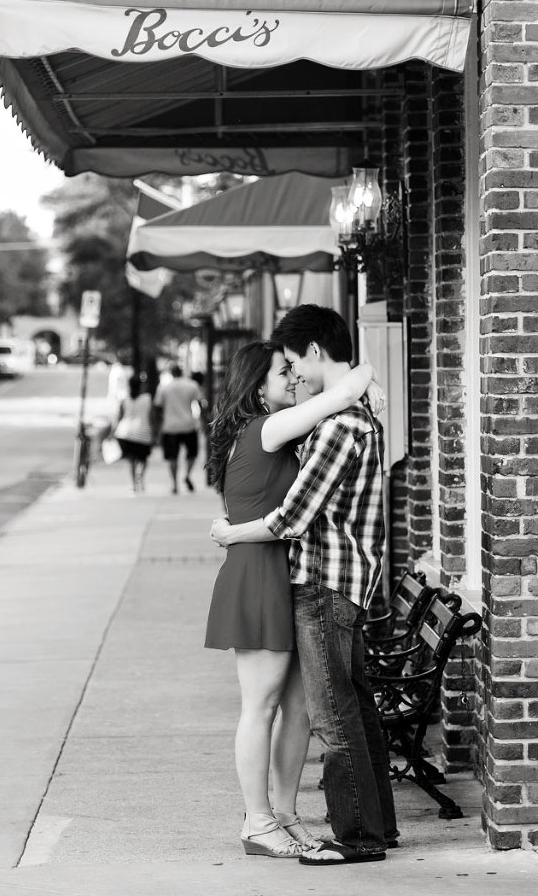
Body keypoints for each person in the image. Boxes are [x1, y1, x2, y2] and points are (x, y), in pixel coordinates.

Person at [211, 305, 399, 867]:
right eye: (280, 373)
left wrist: (232, 530)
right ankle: (261, 819)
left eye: (293, 365)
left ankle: (294, 817)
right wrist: (365, 375)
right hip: (274, 574)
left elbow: (293, 514)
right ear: (259, 388)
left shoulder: (326, 426)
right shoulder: (272, 427)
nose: (291, 378)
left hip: (308, 577)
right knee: (276, 707)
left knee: (316, 710)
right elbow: (337, 398)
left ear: (314, 353)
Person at [153, 364, 202, 494]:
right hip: (188, 424)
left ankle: (174, 484)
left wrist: (158, 426)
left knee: (172, 457)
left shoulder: (164, 388)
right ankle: (187, 475)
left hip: (170, 426)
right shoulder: (191, 385)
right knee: (192, 454)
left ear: (171, 373)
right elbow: (200, 402)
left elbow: (158, 407)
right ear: (181, 372)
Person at [114, 376, 154, 492]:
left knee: (131, 460)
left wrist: (112, 433)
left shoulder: (125, 399)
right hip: (143, 433)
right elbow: (152, 418)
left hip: (126, 433)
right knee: (143, 459)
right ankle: (140, 476)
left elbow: (118, 418)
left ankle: (133, 484)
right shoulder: (147, 399)